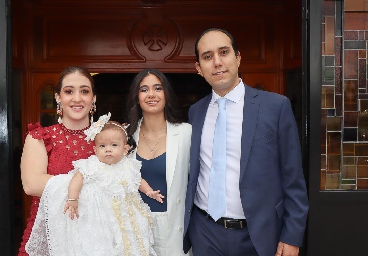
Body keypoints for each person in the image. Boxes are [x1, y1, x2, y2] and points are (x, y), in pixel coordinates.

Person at [183, 28, 309, 256]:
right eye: (208, 57)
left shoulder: (275, 107)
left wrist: (292, 235)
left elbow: (293, 178)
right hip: (204, 232)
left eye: (224, 52)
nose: (217, 62)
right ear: (199, 69)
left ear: (238, 58)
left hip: (258, 235)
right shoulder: (195, 112)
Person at [25, 113, 162, 256]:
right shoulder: (93, 165)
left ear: (125, 149)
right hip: (101, 218)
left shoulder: (128, 165)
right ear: (95, 150)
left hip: (127, 214)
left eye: (114, 145)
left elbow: (137, 180)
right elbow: (76, 180)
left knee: (130, 242)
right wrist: (73, 199)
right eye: (103, 146)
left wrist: (149, 191)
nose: (108, 149)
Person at [18, 66, 97, 255]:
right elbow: (31, 184)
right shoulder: (41, 137)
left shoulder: (108, 138)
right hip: (49, 236)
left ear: (93, 99)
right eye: (69, 91)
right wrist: (95, 180)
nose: (77, 98)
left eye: (84, 91)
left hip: (95, 236)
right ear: (58, 98)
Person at [126, 68, 192, 256]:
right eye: (144, 89)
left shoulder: (186, 133)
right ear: (136, 97)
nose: (151, 94)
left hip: (174, 230)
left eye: (158, 88)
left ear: (166, 95)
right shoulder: (125, 136)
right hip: (135, 230)